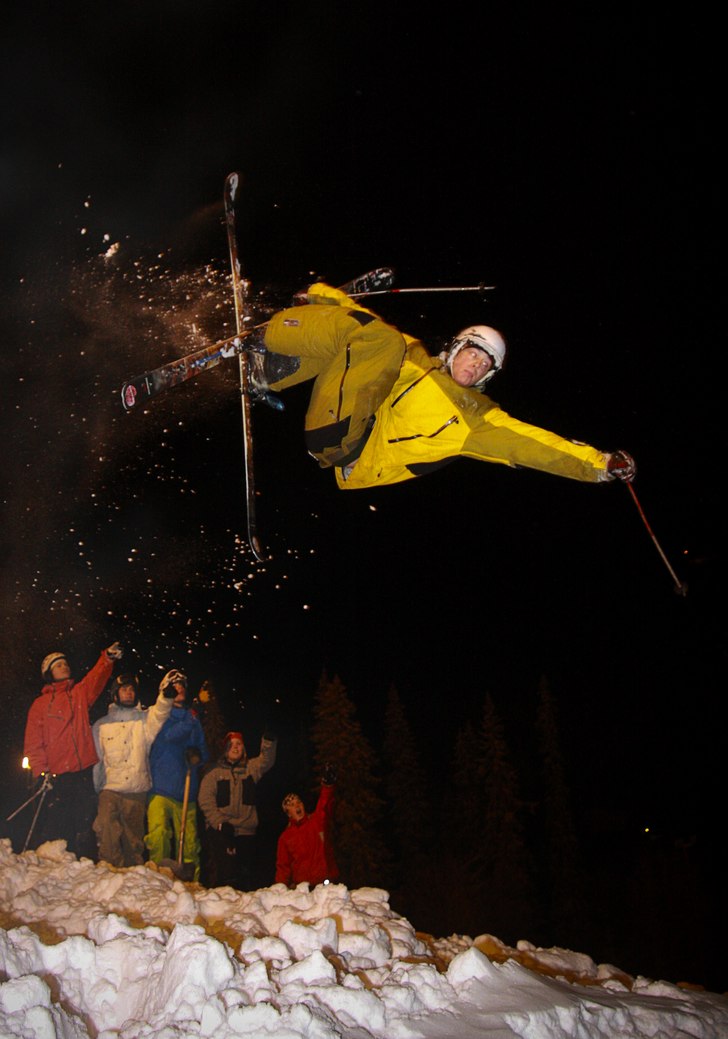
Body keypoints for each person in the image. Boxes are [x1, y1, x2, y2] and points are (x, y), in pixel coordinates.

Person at [243, 282, 637, 490]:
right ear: (453, 349)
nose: (475, 365)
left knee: (379, 341)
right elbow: (363, 315)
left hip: (351, 445)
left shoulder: (474, 418)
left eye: (484, 365)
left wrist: (599, 466)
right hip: (338, 416)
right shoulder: (413, 355)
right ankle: (268, 370)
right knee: (361, 340)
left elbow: (533, 445)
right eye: (472, 353)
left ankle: (272, 335)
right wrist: (321, 295)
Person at [23, 641, 124, 858]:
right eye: (59, 665)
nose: (65, 667)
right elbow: (34, 742)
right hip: (57, 774)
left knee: (85, 819)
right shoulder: (40, 705)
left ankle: (84, 862)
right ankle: (56, 863)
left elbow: (96, 679)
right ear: (49, 673)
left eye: (65, 663)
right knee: (59, 820)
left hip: (83, 770)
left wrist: (107, 659)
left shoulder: (79, 694)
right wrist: (40, 773)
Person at [91, 673, 175, 867]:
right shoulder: (101, 725)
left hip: (136, 790)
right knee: (106, 830)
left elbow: (160, 713)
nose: (128, 693)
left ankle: (133, 877)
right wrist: (98, 788)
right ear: (115, 694)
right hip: (110, 788)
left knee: (133, 840)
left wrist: (166, 696)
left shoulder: (144, 721)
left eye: (131, 690)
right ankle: (110, 872)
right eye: (124, 689)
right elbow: (97, 759)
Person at [145, 669, 208, 880]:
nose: (179, 688)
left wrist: (197, 756)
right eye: (175, 685)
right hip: (161, 787)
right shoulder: (159, 714)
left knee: (190, 841)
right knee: (159, 834)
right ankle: (156, 878)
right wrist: (192, 717)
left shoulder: (193, 719)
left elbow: (203, 749)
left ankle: (192, 882)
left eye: (182, 685)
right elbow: (169, 737)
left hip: (186, 790)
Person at [198, 728, 277, 890]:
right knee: (225, 874)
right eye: (231, 744)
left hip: (246, 832)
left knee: (245, 876)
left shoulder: (251, 768)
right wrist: (220, 823)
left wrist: (268, 742)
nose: (235, 747)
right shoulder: (214, 773)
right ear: (225, 749)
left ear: (244, 748)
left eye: (239, 744)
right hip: (221, 830)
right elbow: (205, 800)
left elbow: (266, 760)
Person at [275, 766, 339, 889]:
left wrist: (327, 786)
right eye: (292, 805)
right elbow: (283, 867)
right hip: (303, 889)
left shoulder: (316, 821)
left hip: (326, 884)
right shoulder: (285, 837)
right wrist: (280, 890)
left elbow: (324, 804)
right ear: (288, 813)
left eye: (299, 802)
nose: (297, 805)